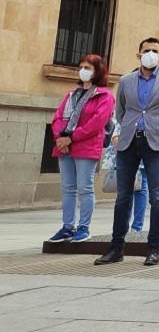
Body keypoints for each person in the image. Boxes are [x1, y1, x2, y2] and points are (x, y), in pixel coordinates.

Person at [95, 37, 159, 268]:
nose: (150, 54)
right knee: (123, 196)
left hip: (155, 142)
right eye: (146, 50)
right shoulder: (126, 80)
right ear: (139, 54)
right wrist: (125, 129)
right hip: (128, 141)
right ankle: (116, 247)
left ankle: (154, 248)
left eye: (155, 51)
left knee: (157, 196)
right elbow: (121, 110)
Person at [49, 54, 115, 244]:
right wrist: (60, 138)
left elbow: (97, 123)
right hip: (65, 147)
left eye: (88, 67)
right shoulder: (72, 95)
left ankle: (84, 227)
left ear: (98, 71)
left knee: (85, 188)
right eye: (82, 67)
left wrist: (71, 137)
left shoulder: (104, 96)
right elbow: (58, 117)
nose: (83, 70)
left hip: (86, 147)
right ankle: (67, 226)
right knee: (68, 188)